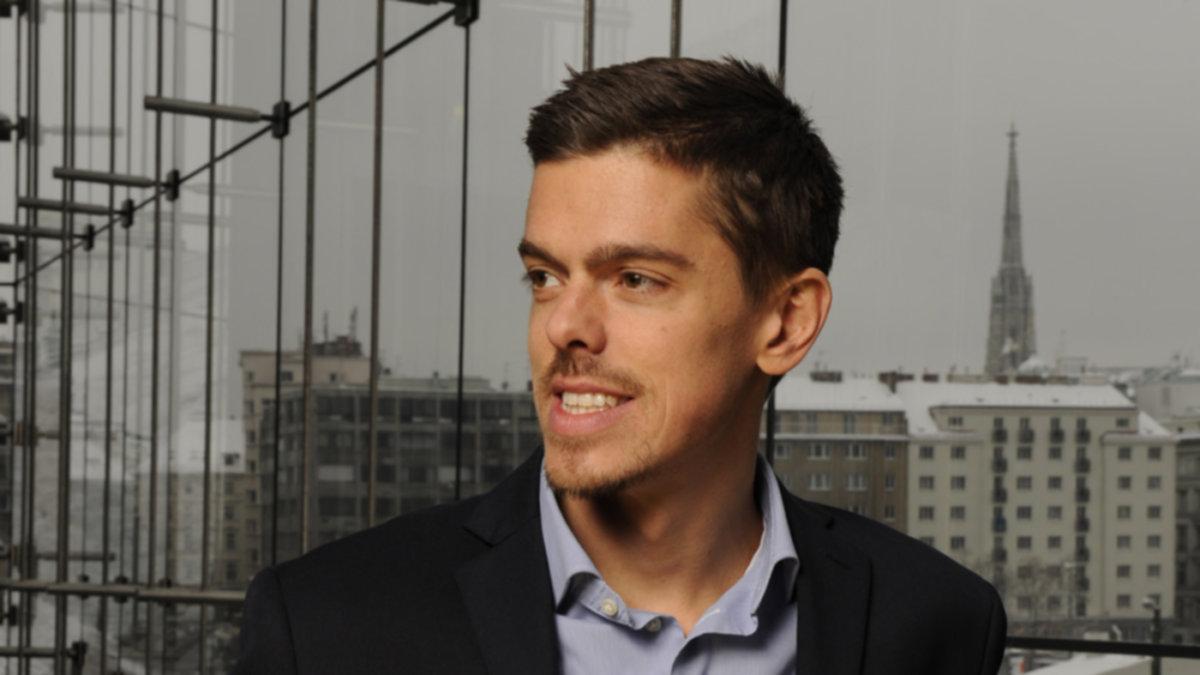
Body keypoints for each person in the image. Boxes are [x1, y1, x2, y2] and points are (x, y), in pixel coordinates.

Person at [236, 57, 1006, 674]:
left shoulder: (935, 621)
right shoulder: (327, 625)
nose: (563, 325)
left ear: (785, 321)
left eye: (634, 278)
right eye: (545, 276)